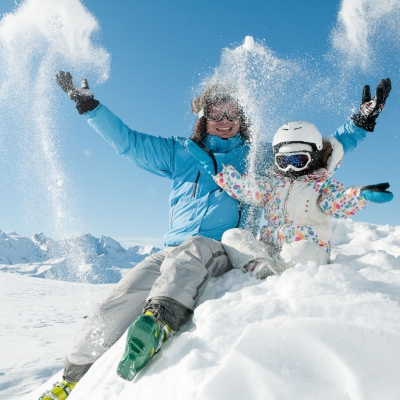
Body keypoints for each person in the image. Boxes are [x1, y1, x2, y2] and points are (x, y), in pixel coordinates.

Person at [38, 72, 388, 399]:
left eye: (232, 111)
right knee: (109, 309)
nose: (224, 119)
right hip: (170, 254)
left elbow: (314, 152)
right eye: (215, 111)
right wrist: (90, 107)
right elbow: (129, 143)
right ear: (202, 116)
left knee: (192, 250)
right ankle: (70, 381)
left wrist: (359, 123)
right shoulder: (180, 151)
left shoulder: (259, 156)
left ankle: (161, 321)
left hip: (224, 249)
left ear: (242, 116)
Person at [188, 118, 393, 278]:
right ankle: (259, 264)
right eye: (283, 161)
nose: (290, 168)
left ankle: (275, 267)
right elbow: (246, 189)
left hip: (308, 250)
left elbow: (338, 200)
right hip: (270, 248)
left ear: (313, 156)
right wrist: (219, 172)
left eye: (298, 160)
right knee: (232, 235)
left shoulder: (320, 186)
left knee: (303, 251)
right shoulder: (272, 183)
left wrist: (359, 195)